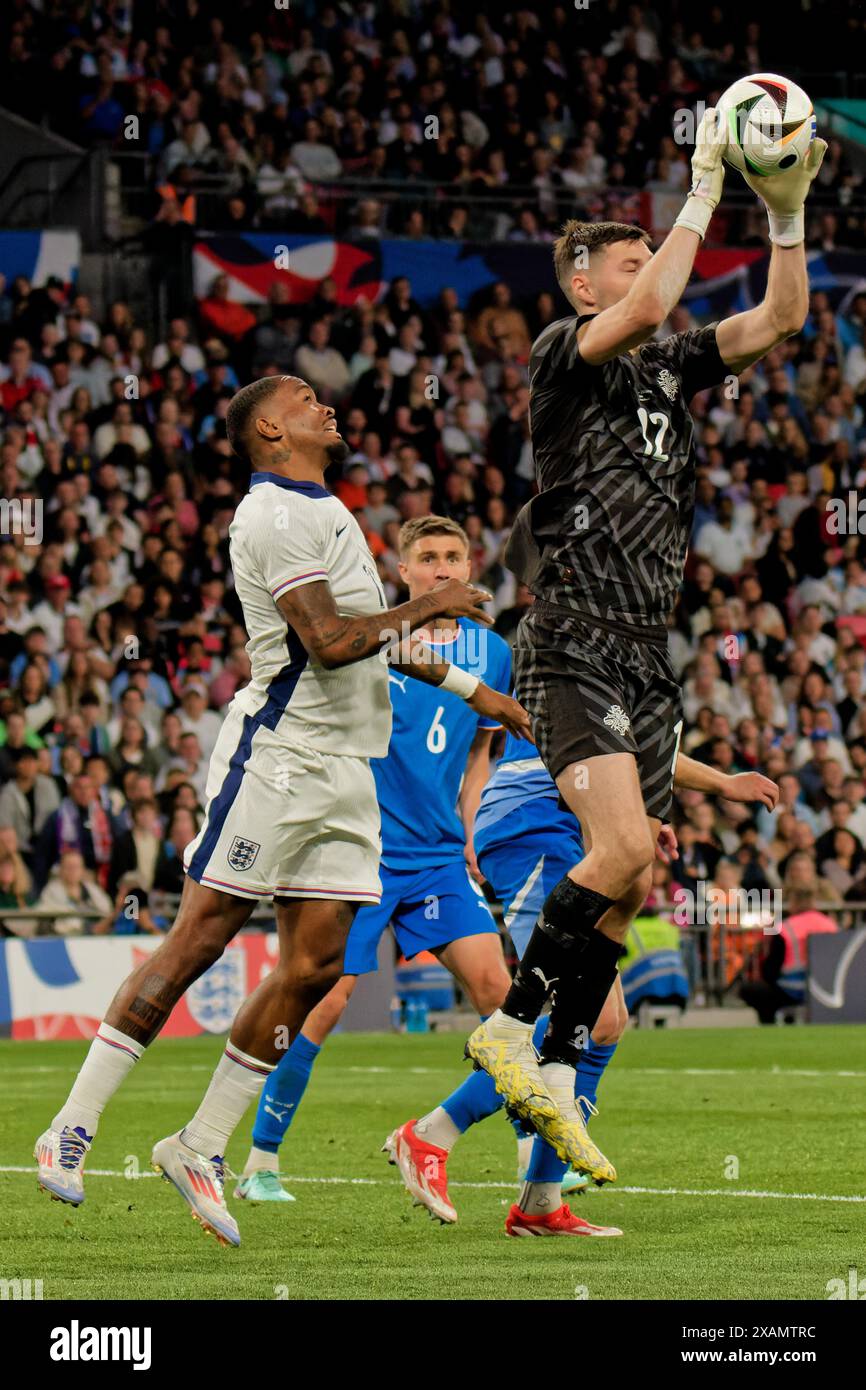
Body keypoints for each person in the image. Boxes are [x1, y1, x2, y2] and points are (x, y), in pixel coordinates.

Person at [34, 374, 531, 1248]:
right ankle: (70, 1126)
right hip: (280, 760)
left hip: (348, 769)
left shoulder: (324, 507)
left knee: (314, 969)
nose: (326, 404)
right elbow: (331, 641)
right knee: (200, 936)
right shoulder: (271, 514)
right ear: (270, 426)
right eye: (306, 398)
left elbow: (372, 644)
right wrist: (433, 605)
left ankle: (199, 1145)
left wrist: (472, 688)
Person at [464, 107, 821, 1182]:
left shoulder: (666, 369)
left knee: (623, 893)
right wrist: (703, 181)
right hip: (570, 629)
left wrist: (787, 213)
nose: (647, 273)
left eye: (645, 256)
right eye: (624, 260)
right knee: (615, 854)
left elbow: (773, 322)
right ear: (583, 285)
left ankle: (554, 1086)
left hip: (643, 653)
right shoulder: (561, 354)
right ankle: (507, 1031)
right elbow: (659, 295)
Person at [233, 514, 528, 1207]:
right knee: (325, 1000)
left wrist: (472, 831)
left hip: (436, 855)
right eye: (428, 558)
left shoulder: (492, 652)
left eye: (454, 556)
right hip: (361, 849)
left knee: (501, 995)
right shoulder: (374, 637)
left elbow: (480, 754)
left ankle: (529, 1157)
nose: (444, 569)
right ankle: (260, 1162)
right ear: (404, 573)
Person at [740, 885, 837, 1024]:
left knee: (751, 990)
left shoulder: (786, 927)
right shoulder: (830, 925)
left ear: (793, 903)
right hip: (825, 986)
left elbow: (771, 969)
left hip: (793, 987)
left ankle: (770, 1026)